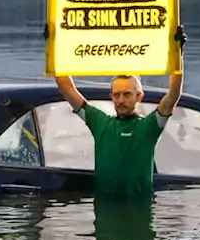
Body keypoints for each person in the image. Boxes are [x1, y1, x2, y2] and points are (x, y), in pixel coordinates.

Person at [53, 28, 186, 197]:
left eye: (127, 94)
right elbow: (66, 87)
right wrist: (55, 45)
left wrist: (178, 53)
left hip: (138, 215)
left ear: (139, 96)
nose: (121, 100)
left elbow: (174, 94)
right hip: (104, 214)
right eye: (117, 95)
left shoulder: (149, 127)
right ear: (111, 96)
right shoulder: (100, 122)